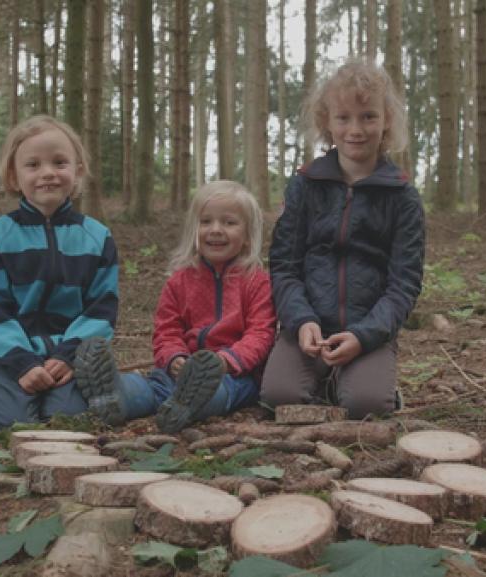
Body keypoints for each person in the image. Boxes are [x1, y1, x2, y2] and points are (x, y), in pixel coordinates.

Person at [260, 59, 425, 419]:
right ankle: (324, 379)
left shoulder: (402, 196)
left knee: (367, 406)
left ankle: (357, 380)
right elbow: (284, 267)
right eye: (343, 117)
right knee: (278, 396)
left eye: (368, 116)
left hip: (368, 329)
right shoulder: (305, 184)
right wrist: (301, 320)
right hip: (307, 328)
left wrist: (365, 335)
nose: (356, 129)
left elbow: (404, 285)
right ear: (326, 122)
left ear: (387, 121)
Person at [74, 180, 276, 433]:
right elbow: (166, 331)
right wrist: (174, 358)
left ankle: (187, 405)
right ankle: (116, 396)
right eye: (206, 222)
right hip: (179, 370)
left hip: (235, 375)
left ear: (247, 237)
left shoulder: (257, 282)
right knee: (151, 386)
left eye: (229, 222)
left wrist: (224, 361)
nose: (215, 230)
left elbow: (261, 335)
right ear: (194, 230)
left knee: (219, 391)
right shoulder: (180, 281)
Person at [0, 115, 119, 433]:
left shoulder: (97, 237)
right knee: (8, 425)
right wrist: (22, 362)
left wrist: (70, 355)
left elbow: (102, 308)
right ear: (13, 175)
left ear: (77, 170)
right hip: (9, 352)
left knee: (69, 420)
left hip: (69, 353)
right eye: (33, 165)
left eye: (59, 162)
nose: (48, 173)